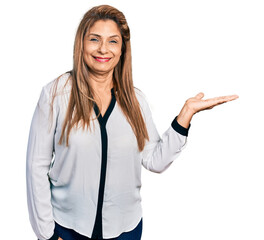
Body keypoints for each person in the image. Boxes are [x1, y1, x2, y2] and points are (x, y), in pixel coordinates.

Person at [26, 4, 238, 240]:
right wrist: (46, 234)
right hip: (67, 228)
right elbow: (36, 166)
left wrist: (185, 116)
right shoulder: (55, 94)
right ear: (81, 44)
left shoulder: (135, 100)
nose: (103, 49)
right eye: (94, 39)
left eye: (113, 41)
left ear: (123, 49)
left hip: (125, 230)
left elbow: (154, 160)